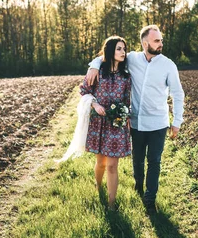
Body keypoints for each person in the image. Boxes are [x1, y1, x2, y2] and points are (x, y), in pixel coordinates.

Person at [86, 25, 185, 213]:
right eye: (157, 41)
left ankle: (150, 198)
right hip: (137, 122)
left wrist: (176, 121)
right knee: (138, 159)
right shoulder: (132, 58)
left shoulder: (168, 65)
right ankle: (138, 185)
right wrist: (94, 65)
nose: (161, 44)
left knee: (154, 160)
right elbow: (107, 54)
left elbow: (178, 94)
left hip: (158, 122)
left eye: (161, 40)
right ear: (145, 43)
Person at [79, 35, 132, 211]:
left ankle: (111, 204)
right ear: (110, 50)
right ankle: (98, 187)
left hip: (116, 124)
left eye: (124, 49)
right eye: (119, 49)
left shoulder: (126, 76)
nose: (123, 52)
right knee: (101, 162)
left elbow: (127, 100)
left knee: (111, 165)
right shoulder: (97, 71)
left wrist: (126, 117)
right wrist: (95, 104)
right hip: (98, 123)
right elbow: (84, 90)